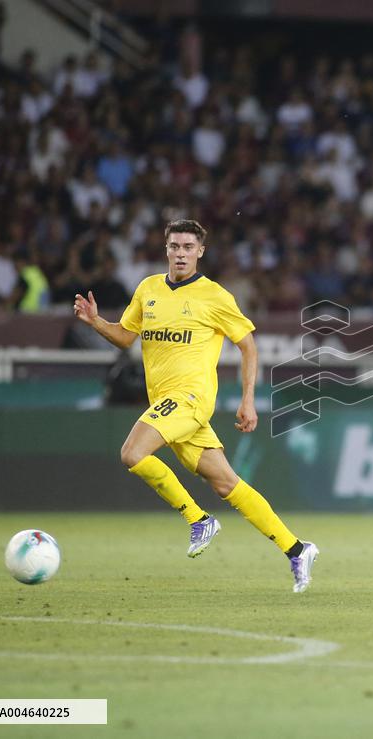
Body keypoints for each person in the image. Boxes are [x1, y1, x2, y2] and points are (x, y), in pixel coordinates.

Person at [73, 219, 318, 593]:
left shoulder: (214, 296)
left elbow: (248, 345)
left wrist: (248, 399)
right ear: (166, 250)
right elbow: (125, 337)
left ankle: (198, 519)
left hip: (190, 399)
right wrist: (96, 322)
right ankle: (297, 549)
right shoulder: (148, 289)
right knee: (227, 483)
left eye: (189, 247)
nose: (181, 253)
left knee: (132, 453)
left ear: (200, 251)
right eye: (175, 246)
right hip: (167, 404)